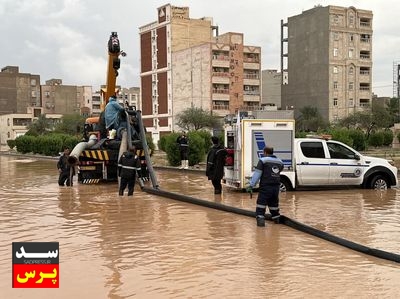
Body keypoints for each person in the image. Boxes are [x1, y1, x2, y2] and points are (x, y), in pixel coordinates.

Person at [247, 146, 284, 227]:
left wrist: (251, 185)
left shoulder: (263, 161)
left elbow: (257, 174)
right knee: (274, 207)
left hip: (265, 187)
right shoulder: (280, 162)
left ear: (265, 152)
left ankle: (260, 229)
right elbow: (279, 171)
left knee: (261, 207)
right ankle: (277, 224)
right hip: (276, 188)